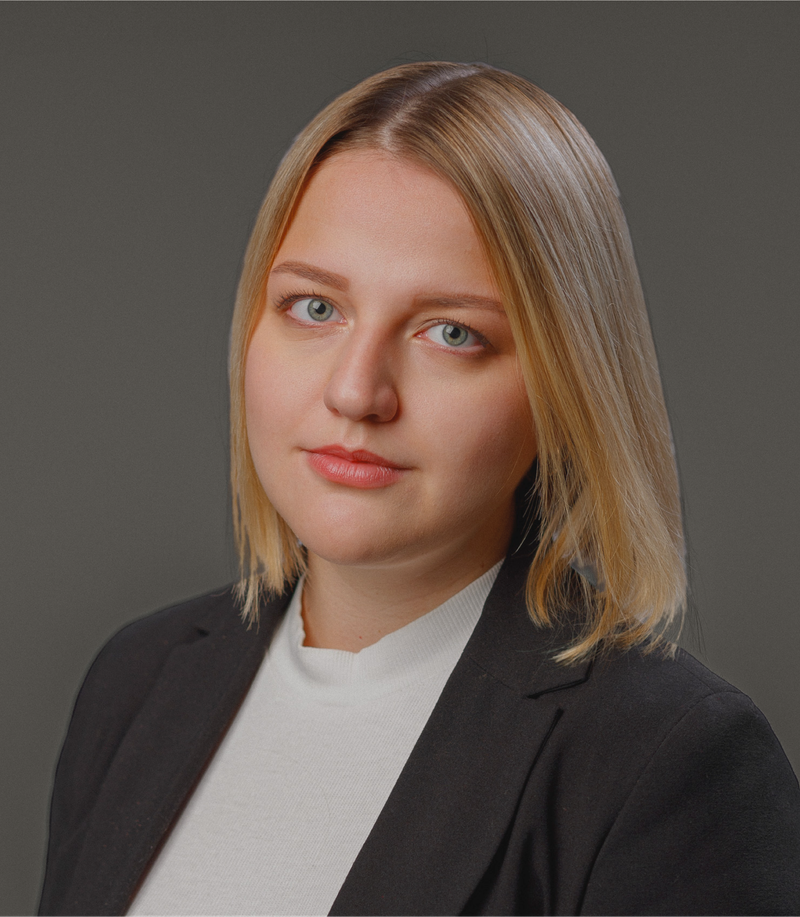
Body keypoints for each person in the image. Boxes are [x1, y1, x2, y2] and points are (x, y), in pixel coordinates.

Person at [39, 62, 799, 917]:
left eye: (451, 333)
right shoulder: (137, 680)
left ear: (566, 384)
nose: (357, 392)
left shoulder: (668, 763)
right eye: (315, 308)